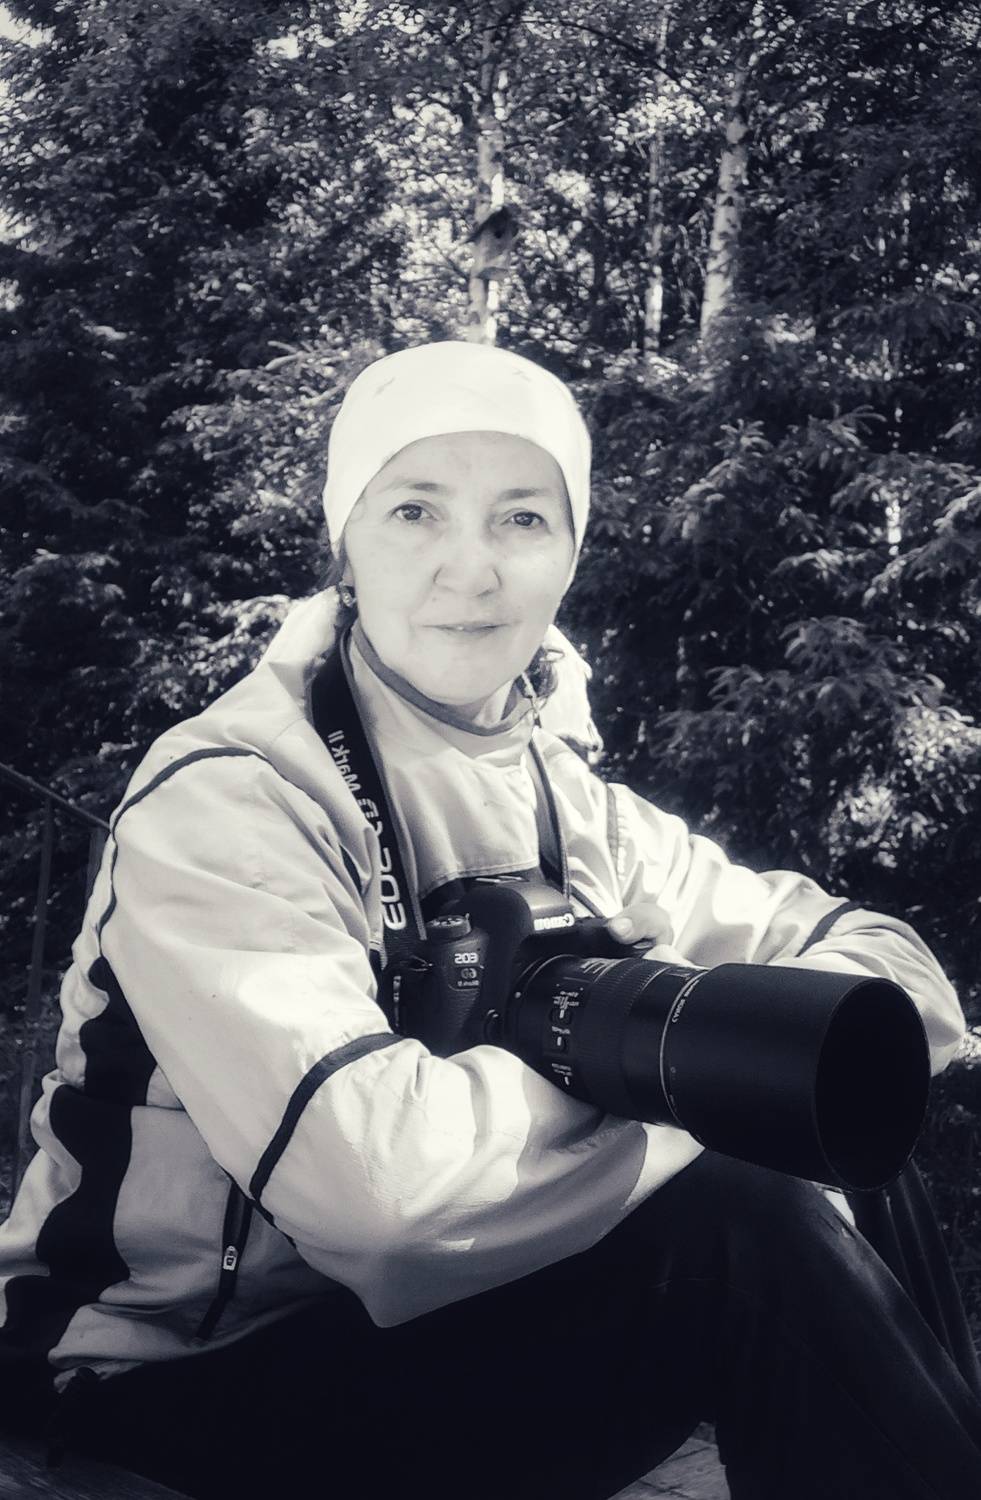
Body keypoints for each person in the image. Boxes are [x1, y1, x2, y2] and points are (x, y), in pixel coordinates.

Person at [0, 340, 979, 1500]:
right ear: (345, 543)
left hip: (438, 1330)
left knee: (851, 1136)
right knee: (740, 1227)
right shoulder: (231, 795)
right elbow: (384, 1202)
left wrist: (786, 1065)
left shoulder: (578, 805)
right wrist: (707, 1081)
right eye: (415, 510)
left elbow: (893, 970)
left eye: (522, 519)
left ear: (570, 554)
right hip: (159, 1371)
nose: (470, 571)